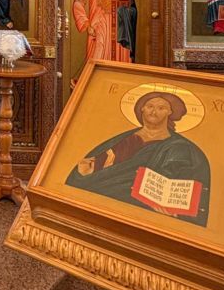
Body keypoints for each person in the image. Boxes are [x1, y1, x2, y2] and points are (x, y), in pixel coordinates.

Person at [66, 90, 210, 226]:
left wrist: (171, 206)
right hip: (96, 207)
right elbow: (95, 169)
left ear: (170, 112)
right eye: (150, 106)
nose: (153, 111)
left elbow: (186, 187)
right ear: (142, 109)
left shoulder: (181, 147)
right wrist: (82, 172)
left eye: (161, 108)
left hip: (141, 216)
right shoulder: (124, 139)